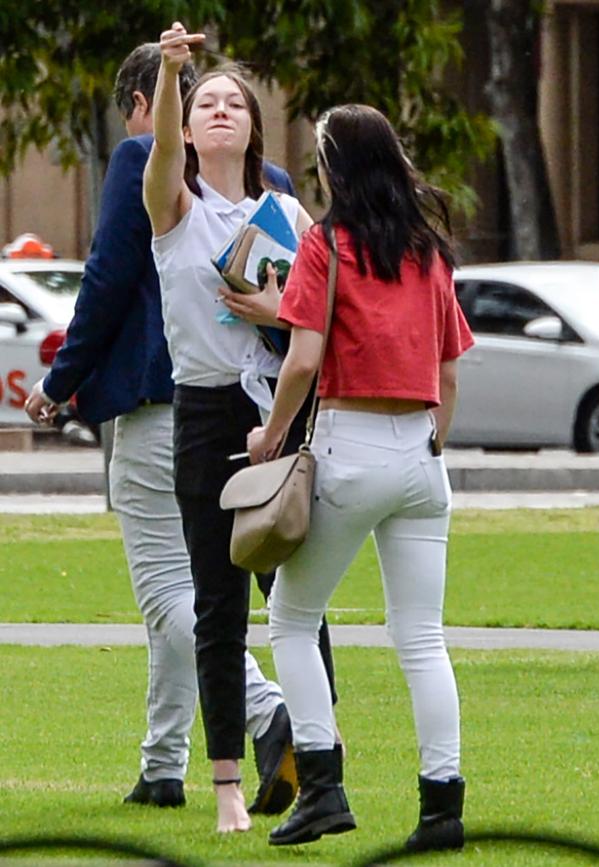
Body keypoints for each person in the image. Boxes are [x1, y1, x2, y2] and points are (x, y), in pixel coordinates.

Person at [24, 42, 304, 817]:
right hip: (253, 412)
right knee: (207, 587)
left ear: (144, 106)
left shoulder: (145, 162)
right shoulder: (271, 187)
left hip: (164, 402)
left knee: (169, 589)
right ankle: (162, 760)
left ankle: (265, 706)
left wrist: (59, 381)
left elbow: (110, 277)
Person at [246, 104, 475, 850]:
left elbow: (304, 359)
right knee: (422, 636)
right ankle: (443, 805)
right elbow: (448, 370)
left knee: (291, 617)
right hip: (419, 452)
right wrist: (428, 446)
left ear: (335, 167)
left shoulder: (326, 244)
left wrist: (271, 435)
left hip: (351, 443)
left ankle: (323, 785)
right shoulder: (428, 250)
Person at [143, 22, 339, 833]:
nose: (219, 110)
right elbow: (156, 152)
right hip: (204, 411)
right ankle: (227, 783)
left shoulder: (287, 209)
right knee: (216, 605)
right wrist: (170, 72)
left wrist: (275, 310)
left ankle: (323, 769)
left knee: (299, 598)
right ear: (187, 130)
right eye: (205, 104)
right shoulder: (175, 206)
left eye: (234, 103)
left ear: (256, 127)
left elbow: (322, 318)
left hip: (278, 410)